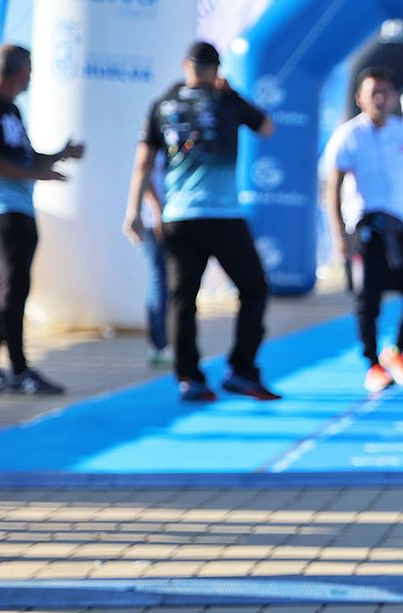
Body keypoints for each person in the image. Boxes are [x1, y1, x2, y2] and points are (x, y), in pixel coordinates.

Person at [127, 40, 279, 404]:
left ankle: (189, 378)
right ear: (216, 70)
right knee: (254, 288)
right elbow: (267, 127)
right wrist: (232, 92)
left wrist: (134, 211)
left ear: (185, 66)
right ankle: (241, 369)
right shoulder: (225, 100)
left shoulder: (162, 104)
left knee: (182, 299)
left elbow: (143, 162)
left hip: (179, 217)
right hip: (221, 214)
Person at [0, 44, 80, 397]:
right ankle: (19, 369)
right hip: (0, 206)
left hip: (21, 206)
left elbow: (27, 157)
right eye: (29, 69)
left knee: (8, 284)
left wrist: (60, 155)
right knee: (14, 286)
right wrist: (32, 174)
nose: (31, 76)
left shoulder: (13, 109)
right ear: (19, 71)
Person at [324, 66, 403, 395]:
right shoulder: (348, 136)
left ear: (394, 96)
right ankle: (372, 364)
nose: (380, 99)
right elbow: (333, 186)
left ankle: (396, 351)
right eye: (374, 93)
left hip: (402, 224)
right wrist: (339, 234)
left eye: (385, 92)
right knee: (368, 299)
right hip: (366, 226)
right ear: (360, 98)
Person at [122, 154, 170, 367]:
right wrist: (157, 211)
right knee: (160, 277)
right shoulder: (154, 141)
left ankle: (169, 342)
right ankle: (160, 345)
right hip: (155, 222)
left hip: (174, 218)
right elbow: (143, 169)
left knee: (171, 281)